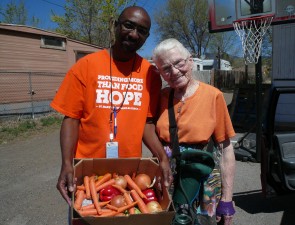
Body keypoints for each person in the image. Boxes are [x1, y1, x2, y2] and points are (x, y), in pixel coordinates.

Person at [50, 6, 172, 207]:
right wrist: (66, 164)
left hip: (128, 173)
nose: (133, 34)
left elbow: (147, 124)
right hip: (87, 171)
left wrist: (162, 158)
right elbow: (71, 118)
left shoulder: (150, 75)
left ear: (146, 37)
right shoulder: (86, 66)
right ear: (115, 26)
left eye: (141, 31)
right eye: (128, 25)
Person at [152, 38, 236, 225]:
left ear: (190, 60)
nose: (174, 71)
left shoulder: (213, 95)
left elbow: (226, 149)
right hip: (168, 176)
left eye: (178, 63)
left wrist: (227, 199)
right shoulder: (161, 98)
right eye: (166, 68)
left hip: (204, 176)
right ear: (161, 73)